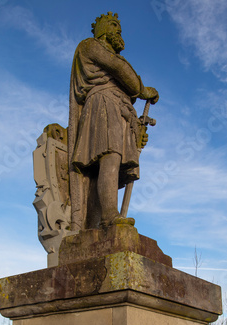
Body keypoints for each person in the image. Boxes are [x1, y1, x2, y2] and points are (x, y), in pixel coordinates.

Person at [68, 12, 159, 230]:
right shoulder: (90, 45)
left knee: (115, 163)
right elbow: (121, 70)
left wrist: (137, 131)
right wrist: (143, 90)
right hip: (102, 104)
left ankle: (103, 217)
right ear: (100, 30)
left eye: (119, 26)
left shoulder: (111, 58)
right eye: (113, 25)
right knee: (110, 155)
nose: (118, 29)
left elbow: (125, 82)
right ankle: (109, 216)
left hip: (119, 109)